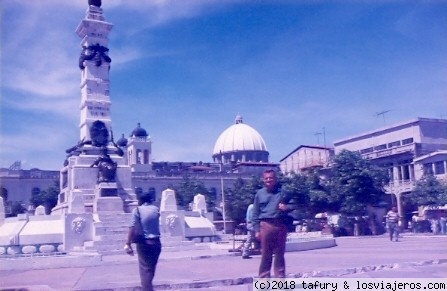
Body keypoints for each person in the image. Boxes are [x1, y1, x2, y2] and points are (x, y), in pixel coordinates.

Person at [252, 169, 295, 278]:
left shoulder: (283, 192)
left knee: (280, 254)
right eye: (266, 178)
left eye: (271, 178)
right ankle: (263, 280)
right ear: (263, 180)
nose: (269, 180)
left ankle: (280, 280)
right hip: (265, 225)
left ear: (275, 179)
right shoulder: (259, 194)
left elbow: (294, 205)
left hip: (280, 225)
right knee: (266, 255)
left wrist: (286, 207)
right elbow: (255, 213)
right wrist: (256, 230)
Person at [125, 192, 162, 291]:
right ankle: (148, 288)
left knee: (145, 270)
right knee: (151, 269)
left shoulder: (137, 210)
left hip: (144, 243)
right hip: (156, 243)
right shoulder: (156, 209)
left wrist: (128, 243)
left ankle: (146, 289)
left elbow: (132, 227)